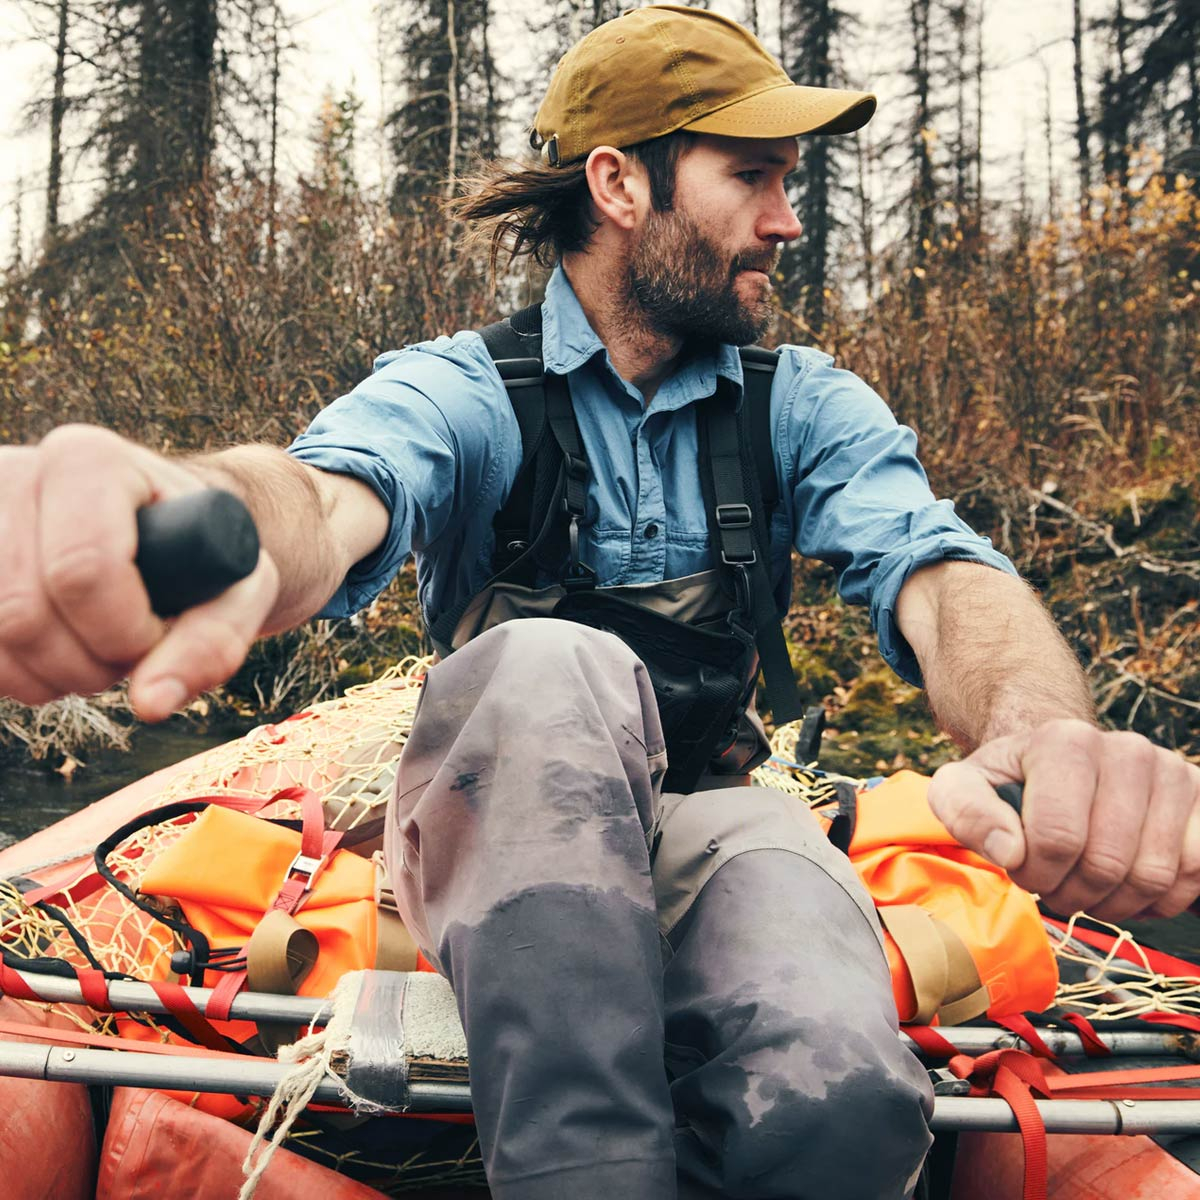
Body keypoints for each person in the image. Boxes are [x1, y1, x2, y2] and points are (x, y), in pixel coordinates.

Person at [2, 5, 1198, 1197]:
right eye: (754, 177)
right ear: (620, 184)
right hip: (489, 835)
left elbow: (940, 576)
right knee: (549, 664)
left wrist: (1039, 729)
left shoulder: (804, 405)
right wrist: (213, 524)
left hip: (718, 815)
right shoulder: (461, 392)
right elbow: (323, 499)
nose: (789, 219)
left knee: (844, 1090)